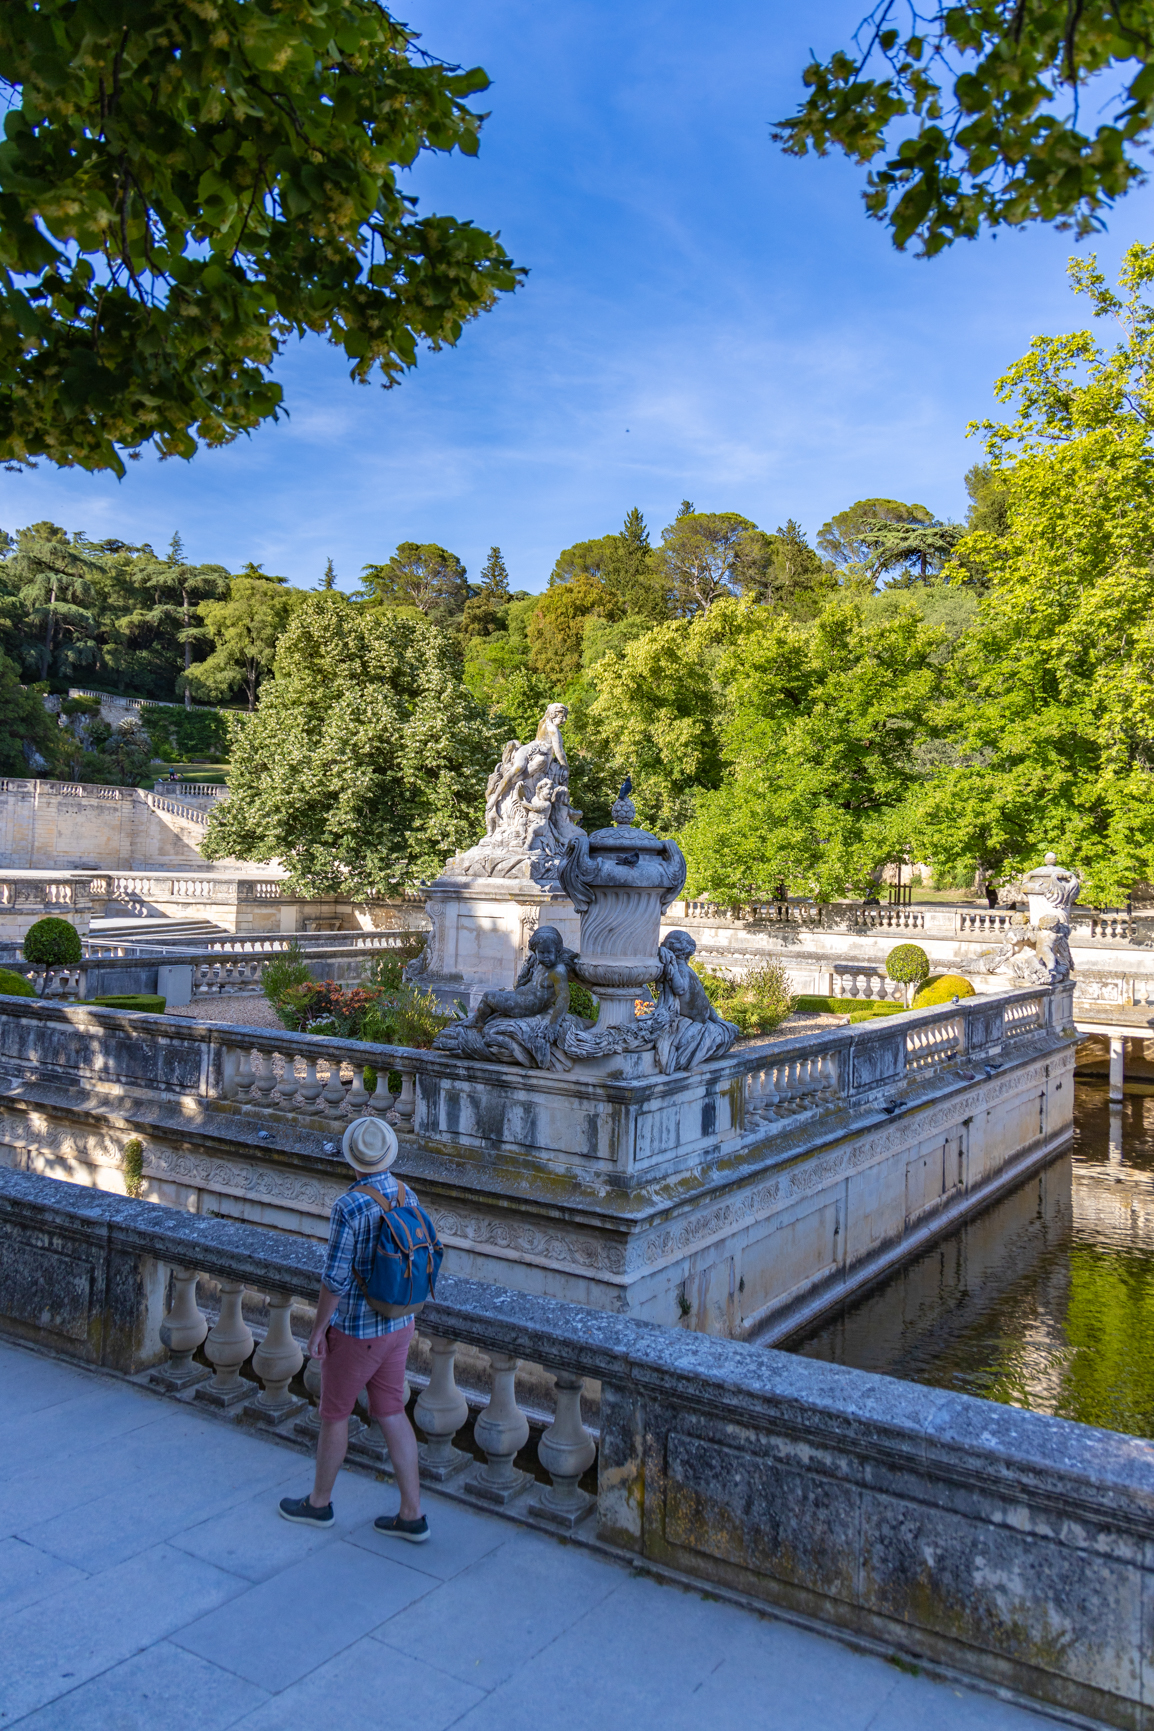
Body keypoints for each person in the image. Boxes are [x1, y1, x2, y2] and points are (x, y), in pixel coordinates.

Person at [278, 1117, 428, 1541]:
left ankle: (319, 1504)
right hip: (401, 1322)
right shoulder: (405, 1192)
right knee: (392, 1412)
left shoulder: (349, 1206)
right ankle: (412, 1513)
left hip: (360, 1331)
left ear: (353, 1159)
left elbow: (335, 1278)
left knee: (334, 1415)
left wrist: (318, 1327)